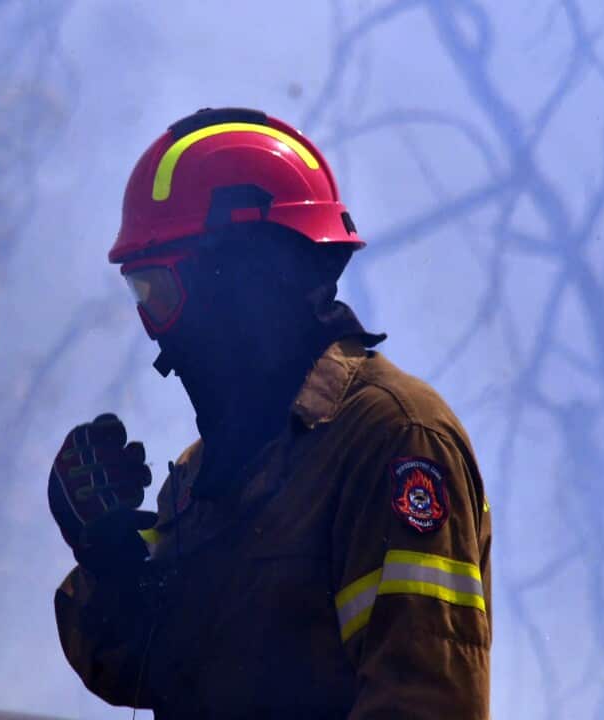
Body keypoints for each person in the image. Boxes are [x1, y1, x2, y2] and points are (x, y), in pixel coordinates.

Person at [48, 107, 491, 719]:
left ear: (246, 279)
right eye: (141, 296)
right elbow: (142, 668)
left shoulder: (392, 439)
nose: (158, 332)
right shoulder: (207, 475)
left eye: (162, 293)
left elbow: (425, 701)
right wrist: (108, 556)